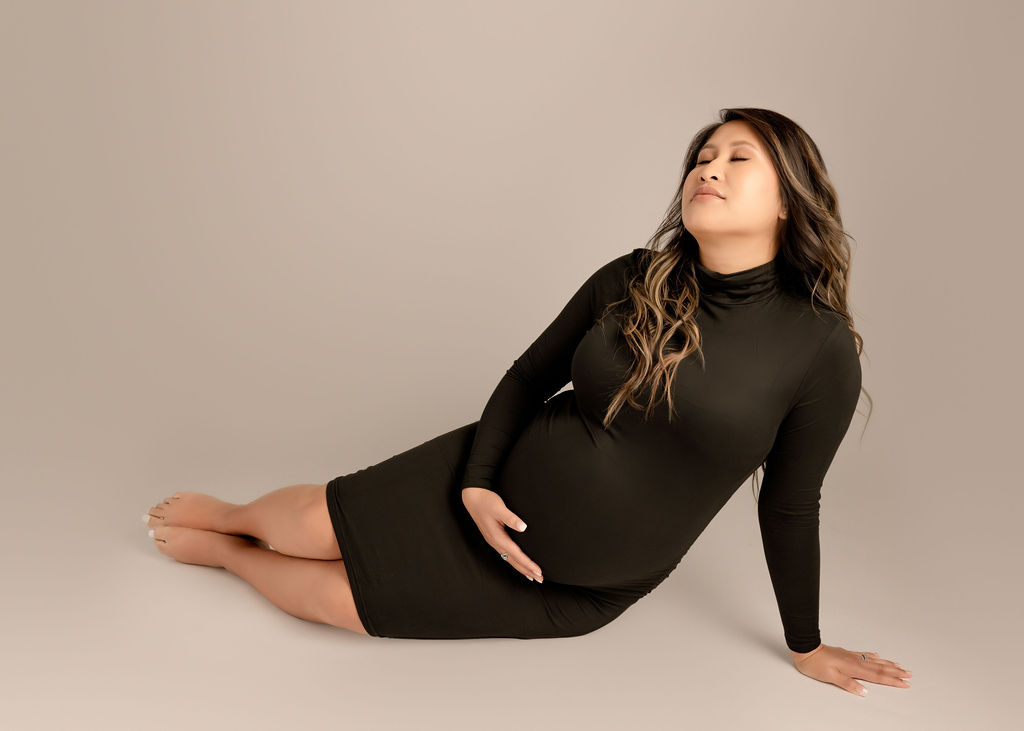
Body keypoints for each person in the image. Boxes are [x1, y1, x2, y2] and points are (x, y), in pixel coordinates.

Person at [143, 107, 911, 697]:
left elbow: (790, 504)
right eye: (703, 157)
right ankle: (235, 517)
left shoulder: (819, 348)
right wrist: (476, 484)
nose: (709, 168)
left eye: (739, 158)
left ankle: (226, 556)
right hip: (490, 478)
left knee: (339, 602)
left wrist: (805, 644)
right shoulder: (631, 276)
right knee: (316, 519)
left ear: (790, 200)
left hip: (573, 585)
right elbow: (525, 377)